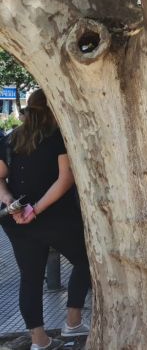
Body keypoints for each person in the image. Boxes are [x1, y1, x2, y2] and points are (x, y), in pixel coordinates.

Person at [0, 89, 91, 350]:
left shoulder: (11, 139)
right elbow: (65, 179)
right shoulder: (58, 137)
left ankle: (39, 342)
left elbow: (0, 177)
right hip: (55, 218)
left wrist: (9, 202)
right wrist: (36, 209)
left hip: (17, 223)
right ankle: (73, 322)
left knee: (30, 278)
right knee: (87, 260)